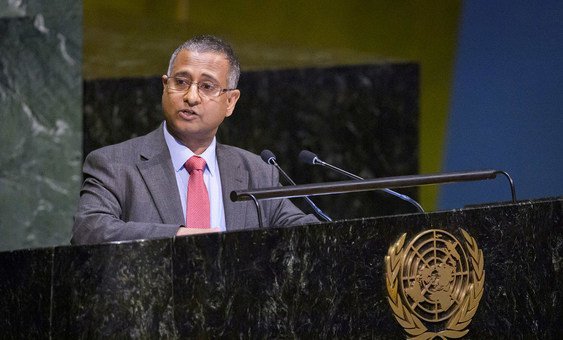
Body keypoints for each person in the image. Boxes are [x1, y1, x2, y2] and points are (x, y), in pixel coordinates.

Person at [71, 35, 318, 245]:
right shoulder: (114, 164)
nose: (191, 97)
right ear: (165, 86)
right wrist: (180, 238)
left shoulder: (256, 171)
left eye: (207, 86)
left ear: (230, 101)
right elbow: (89, 230)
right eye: (181, 82)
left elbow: (303, 232)